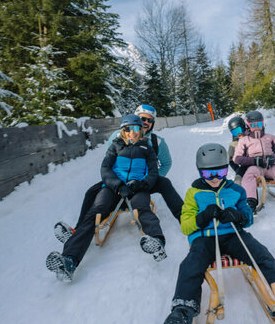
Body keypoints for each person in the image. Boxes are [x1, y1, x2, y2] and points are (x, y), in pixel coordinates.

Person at [161, 143, 275, 324]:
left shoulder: (236, 190)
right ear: (199, 171)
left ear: (226, 169)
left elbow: (248, 218)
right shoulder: (193, 193)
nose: (214, 177)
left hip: (233, 235)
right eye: (208, 173)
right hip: (204, 238)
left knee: (263, 256)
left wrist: (239, 216)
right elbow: (186, 226)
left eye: (220, 171)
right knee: (191, 264)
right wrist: (202, 217)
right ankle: (181, 314)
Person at [46, 114, 166, 282]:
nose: (133, 132)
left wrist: (140, 184)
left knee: (142, 208)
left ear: (141, 130)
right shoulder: (116, 146)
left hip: (137, 187)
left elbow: (153, 172)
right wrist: (117, 184)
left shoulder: (147, 148)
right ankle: (69, 260)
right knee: (96, 211)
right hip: (114, 188)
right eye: (128, 129)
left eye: (137, 128)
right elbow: (105, 169)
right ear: (123, 130)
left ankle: (158, 243)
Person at [54, 104, 184, 244]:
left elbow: (166, 163)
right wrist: (116, 184)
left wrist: (150, 180)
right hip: (120, 178)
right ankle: (78, 229)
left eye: (149, 120)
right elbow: (109, 162)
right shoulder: (118, 136)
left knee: (165, 183)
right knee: (91, 192)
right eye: (142, 118)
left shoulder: (156, 142)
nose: (145, 122)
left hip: (142, 179)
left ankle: (185, 219)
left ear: (153, 123)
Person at [227, 115, 275, 187]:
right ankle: (240, 192)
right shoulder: (234, 145)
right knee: (240, 173)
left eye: (241, 130)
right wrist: (240, 170)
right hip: (249, 167)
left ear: (246, 127)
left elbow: (274, 151)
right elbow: (231, 160)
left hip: (267, 164)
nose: (239, 134)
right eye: (235, 132)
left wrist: (273, 158)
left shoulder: (256, 137)